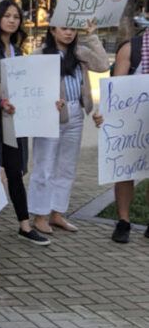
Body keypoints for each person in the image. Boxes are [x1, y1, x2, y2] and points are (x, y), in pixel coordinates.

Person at [0, 1, 50, 245]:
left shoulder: (18, 51)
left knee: (15, 170)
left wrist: (50, 103)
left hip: (14, 120)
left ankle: (24, 225)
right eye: (7, 15)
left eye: (16, 16)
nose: (12, 20)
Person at [28, 20, 106, 234]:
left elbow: (102, 65)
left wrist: (91, 35)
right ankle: (39, 215)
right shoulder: (40, 54)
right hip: (50, 115)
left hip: (76, 113)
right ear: (53, 31)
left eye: (72, 29)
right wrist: (46, 101)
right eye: (64, 28)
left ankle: (57, 213)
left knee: (66, 167)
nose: (69, 33)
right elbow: (29, 87)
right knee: (44, 166)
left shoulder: (80, 52)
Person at [97, 31, 149, 243]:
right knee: (125, 173)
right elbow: (115, 88)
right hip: (131, 122)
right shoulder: (132, 48)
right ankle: (123, 222)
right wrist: (105, 114)